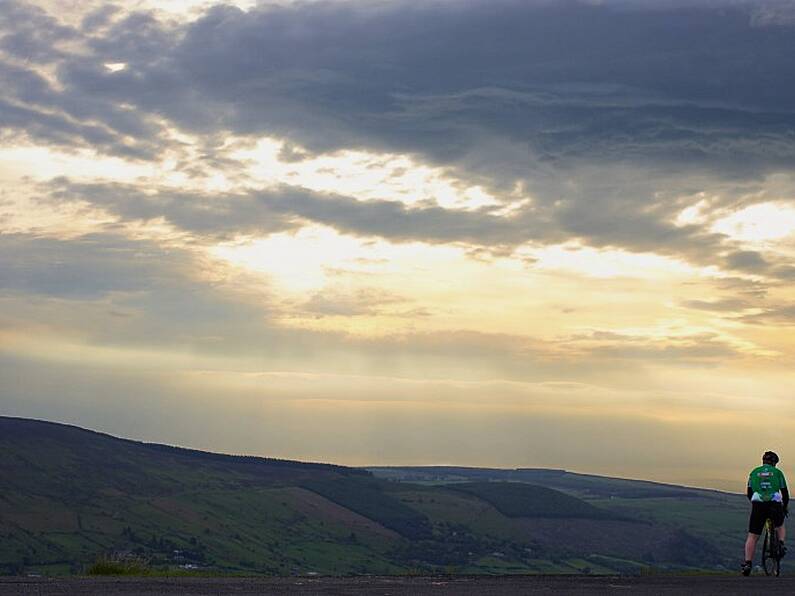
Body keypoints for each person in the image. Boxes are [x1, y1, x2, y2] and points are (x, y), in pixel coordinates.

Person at [741, 451, 789, 576]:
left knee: (752, 536)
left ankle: (747, 564)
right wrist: (785, 506)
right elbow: (785, 493)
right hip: (774, 504)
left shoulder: (754, 472)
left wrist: (755, 503)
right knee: (780, 524)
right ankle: (781, 544)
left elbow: (749, 492)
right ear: (774, 463)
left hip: (758, 505)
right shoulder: (778, 473)